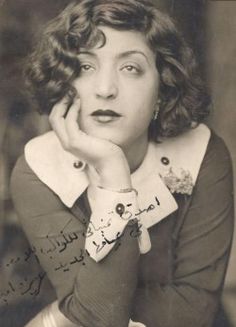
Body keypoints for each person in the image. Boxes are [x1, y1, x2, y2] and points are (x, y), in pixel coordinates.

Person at [10, 0, 234, 326]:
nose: (105, 89)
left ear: (162, 87)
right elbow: (98, 317)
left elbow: (192, 311)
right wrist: (115, 175)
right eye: (85, 66)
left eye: (130, 68)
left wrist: (70, 312)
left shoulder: (204, 154)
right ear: (64, 83)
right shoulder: (37, 169)